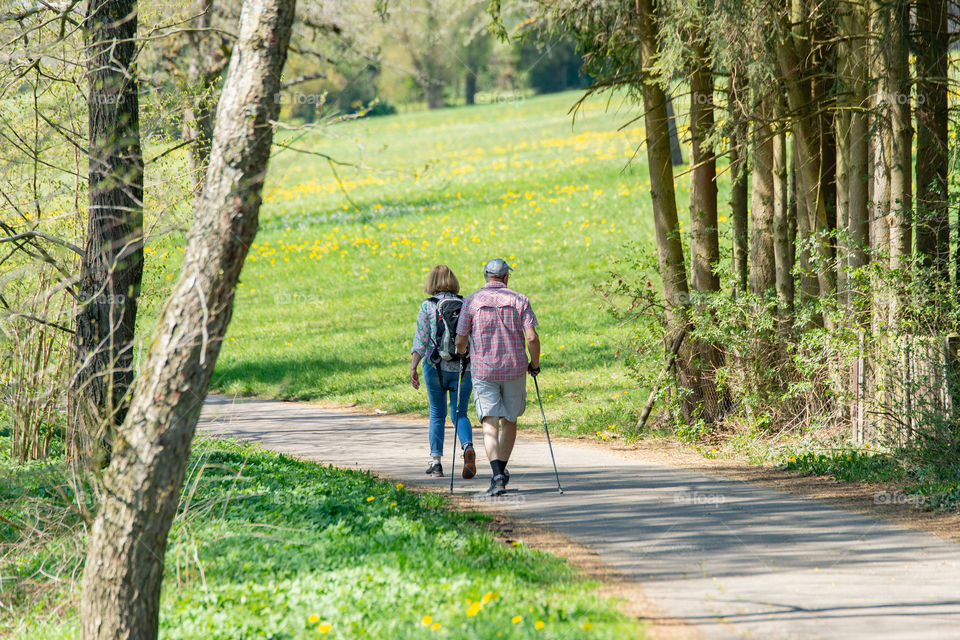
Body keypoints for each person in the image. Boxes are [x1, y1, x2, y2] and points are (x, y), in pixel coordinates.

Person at [455, 258, 540, 497]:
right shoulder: (519, 299)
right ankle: (501, 470)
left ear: (486, 277)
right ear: (505, 278)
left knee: (489, 422)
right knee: (510, 420)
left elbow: (461, 339)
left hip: (484, 371)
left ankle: (497, 476)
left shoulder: (471, 301)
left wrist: (463, 354)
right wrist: (534, 364)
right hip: (514, 369)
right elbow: (532, 338)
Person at [410, 265, 477, 479]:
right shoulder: (466, 304)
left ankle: (436, 463)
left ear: (431, 283)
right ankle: (467, 447)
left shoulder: (427, 307)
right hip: (462, 367)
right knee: (460, 413)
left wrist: (413, 366)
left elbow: (420, 341)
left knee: (437, 414)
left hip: (434, 366)